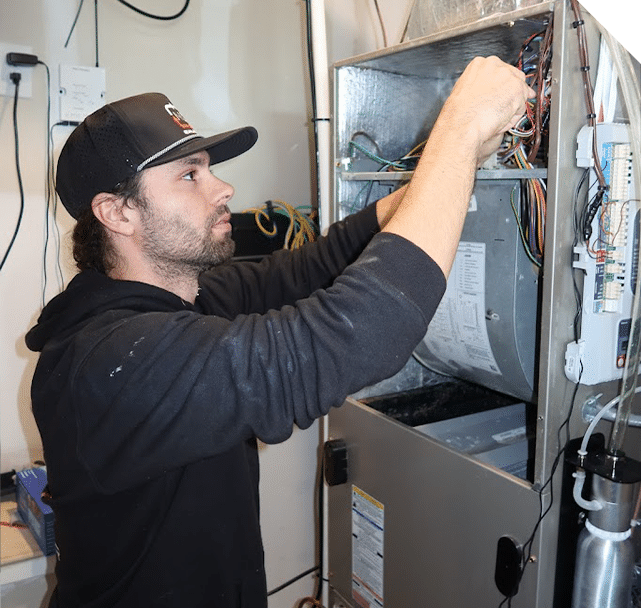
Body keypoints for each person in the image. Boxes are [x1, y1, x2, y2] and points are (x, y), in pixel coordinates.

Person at [25, 56, 532, 608]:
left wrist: (456, 163)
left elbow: (321, 263)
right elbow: (358, 334)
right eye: (190, 175)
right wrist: (459, 127)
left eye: (209, 170)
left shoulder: (185, 301)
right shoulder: (111, 362)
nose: (223, 188)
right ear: (117, 213)